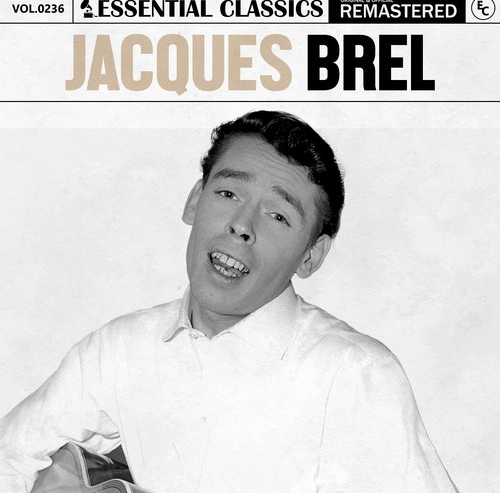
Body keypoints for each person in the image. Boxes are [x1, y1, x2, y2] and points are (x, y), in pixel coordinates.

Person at [0, 110, 458, 492]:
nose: (242, 225)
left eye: (278, 215)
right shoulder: (118, 349)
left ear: (311, 256)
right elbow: (10, 459)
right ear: (194, 201)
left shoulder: (355, 372)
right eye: (228, 193)